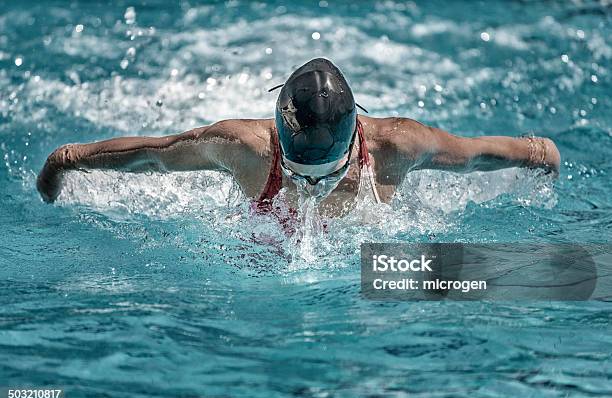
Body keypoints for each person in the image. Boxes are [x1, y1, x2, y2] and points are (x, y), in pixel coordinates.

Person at [37, 58, 560, 218]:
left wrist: (541, 156)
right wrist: (66, 160)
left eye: (323, 173)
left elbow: (478, 156)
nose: (308, 186)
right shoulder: (244, 148)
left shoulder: (397, 146)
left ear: (357, 139)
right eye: (296, 171)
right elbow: (153, 154)